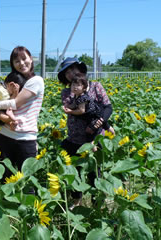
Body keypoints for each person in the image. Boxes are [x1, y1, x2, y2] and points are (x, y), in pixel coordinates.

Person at [58, 57, 115, 207]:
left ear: (80, 70)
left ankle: (98, 203)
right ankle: (76, 201)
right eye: (67, 72)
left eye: (72, 70)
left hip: (95, 138)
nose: (70, 74)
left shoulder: (96, 86)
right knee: (74, 172)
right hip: (75, 138)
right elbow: (77, 110)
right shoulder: (67, 92)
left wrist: (100, 123)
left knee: (94, 172)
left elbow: (108, 108)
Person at [0, 46, 44, 177]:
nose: (22, 63)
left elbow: (15, 104)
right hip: (5, 135)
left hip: (26, 138)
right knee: (4, 179)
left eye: (24, 58)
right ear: (13, 64)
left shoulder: (36, 81)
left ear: (31, 59)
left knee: (27, 182)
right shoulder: (12, 80)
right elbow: (5, 102)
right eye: (17, 61)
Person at [64, 74, 111, 143]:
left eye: (78, 85)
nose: (75, 87)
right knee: (104, 127)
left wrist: (71, 112)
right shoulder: (76, 95)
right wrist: (68, 107)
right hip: (91, 116)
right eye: (73, 85)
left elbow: (81, 111)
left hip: (94, 117)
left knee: (90, 134)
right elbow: (74, 104)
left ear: (84, 88)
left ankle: (93, 148)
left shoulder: (83, 98)